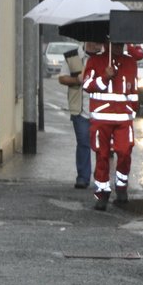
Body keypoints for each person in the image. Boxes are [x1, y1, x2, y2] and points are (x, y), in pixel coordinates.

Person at [81, 39, 140, 212]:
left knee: (124, 151)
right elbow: (86, 85)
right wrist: (105, 77)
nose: (118, 47)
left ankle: (121, 186)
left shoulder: (130, 62)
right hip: (101, 118)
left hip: (123, 118)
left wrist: (132, 111)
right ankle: (102, 193)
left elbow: (134, 90)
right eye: (115, 44)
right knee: (102, 155)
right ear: (107, 43)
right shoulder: (95, 61)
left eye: (121, 44)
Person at [55, 46, 91, 189]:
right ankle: (83, 177)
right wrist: (77, 79)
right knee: (83, 142)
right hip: (79, 108)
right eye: (93, 41)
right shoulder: (71, 56)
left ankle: (103, 178)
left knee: (103, 146)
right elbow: (62, 78)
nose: (97, 44)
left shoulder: (106, 55)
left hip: (101, 108)